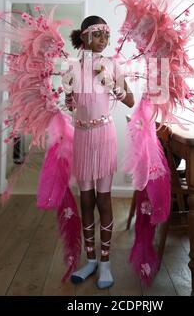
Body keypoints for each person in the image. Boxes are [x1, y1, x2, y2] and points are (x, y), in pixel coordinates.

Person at [62, 15, 134, 289]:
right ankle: (90, 259)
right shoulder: (71, 67)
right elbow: (72, 104)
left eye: (107, 35)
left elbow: (130, 100)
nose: (105, 40)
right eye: (99, 34)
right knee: (87, 200)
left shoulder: (112, 65)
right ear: (84, 37)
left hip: (104, 137)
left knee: (104, 200)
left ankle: (105, 262)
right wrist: (68, 94)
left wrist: (109, 82)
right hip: (81, 136)